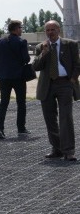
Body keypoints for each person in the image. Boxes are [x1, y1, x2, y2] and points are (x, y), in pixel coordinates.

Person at [31, 20, 80, 161]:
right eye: (47, 30)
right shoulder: (42, 47)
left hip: (65, 84)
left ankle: (69, 150)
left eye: (53, 29)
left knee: (66, 118)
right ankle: (57, 148)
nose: (50, 32)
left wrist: (72, 80)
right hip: (47, 86)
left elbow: (77, 64)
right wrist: (44, 53)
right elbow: (35, 67)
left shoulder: (70, 44)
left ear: (59, 30)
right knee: (50, 119)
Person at [0, 19, 31, 140]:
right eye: (20, 28)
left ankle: (0, 128)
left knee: (4, 102)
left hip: (3, 77)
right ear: (15, 29)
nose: (21, 30)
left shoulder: (0, 42)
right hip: (18, 77)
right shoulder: (22, 41)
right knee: (21, 103)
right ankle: (21, 128)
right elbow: (26, 59)